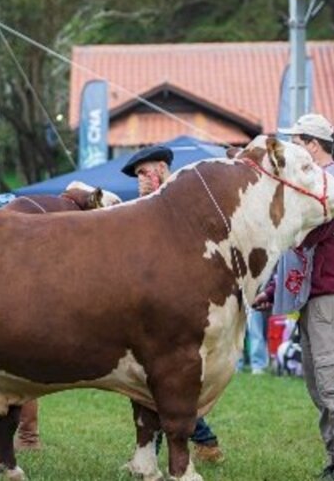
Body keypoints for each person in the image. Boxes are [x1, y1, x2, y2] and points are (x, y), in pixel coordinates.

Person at [253, 114, 334, 480]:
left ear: (313, 145)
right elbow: (297, 255)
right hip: (317, 301)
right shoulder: (315, 189)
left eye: (298, 141)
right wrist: (272, 290)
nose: (293, 149)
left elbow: (307, 237)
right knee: (321, 389)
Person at [121, 145, 224, 464]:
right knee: (149, 382)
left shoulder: (185, 201)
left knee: (168, 379)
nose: (140, 179)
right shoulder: (139, 207)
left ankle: (202, 442)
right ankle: (154, 450)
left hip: (179, 305)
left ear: (162, 168)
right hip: (146, 304)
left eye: (143, 172)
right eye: (137, 174)